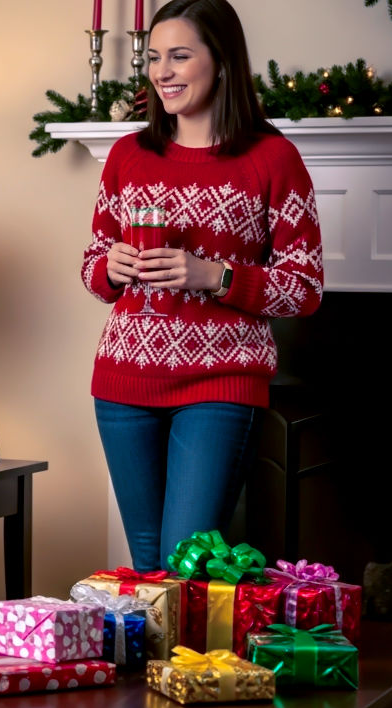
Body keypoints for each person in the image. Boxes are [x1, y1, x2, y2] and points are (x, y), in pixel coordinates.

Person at [81, 0, 324, 572]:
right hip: (123, 382)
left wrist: (215, 276)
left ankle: (196, 664)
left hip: (220, 383)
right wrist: (109, 267)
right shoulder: (128, 154)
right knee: (147, 570)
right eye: (156, 57)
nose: (162, 71)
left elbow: (306, 286)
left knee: (186, 562)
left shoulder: (273, 159)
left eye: (180, 56)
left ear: (222, 61)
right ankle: (156, 667)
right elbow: (93, 262)